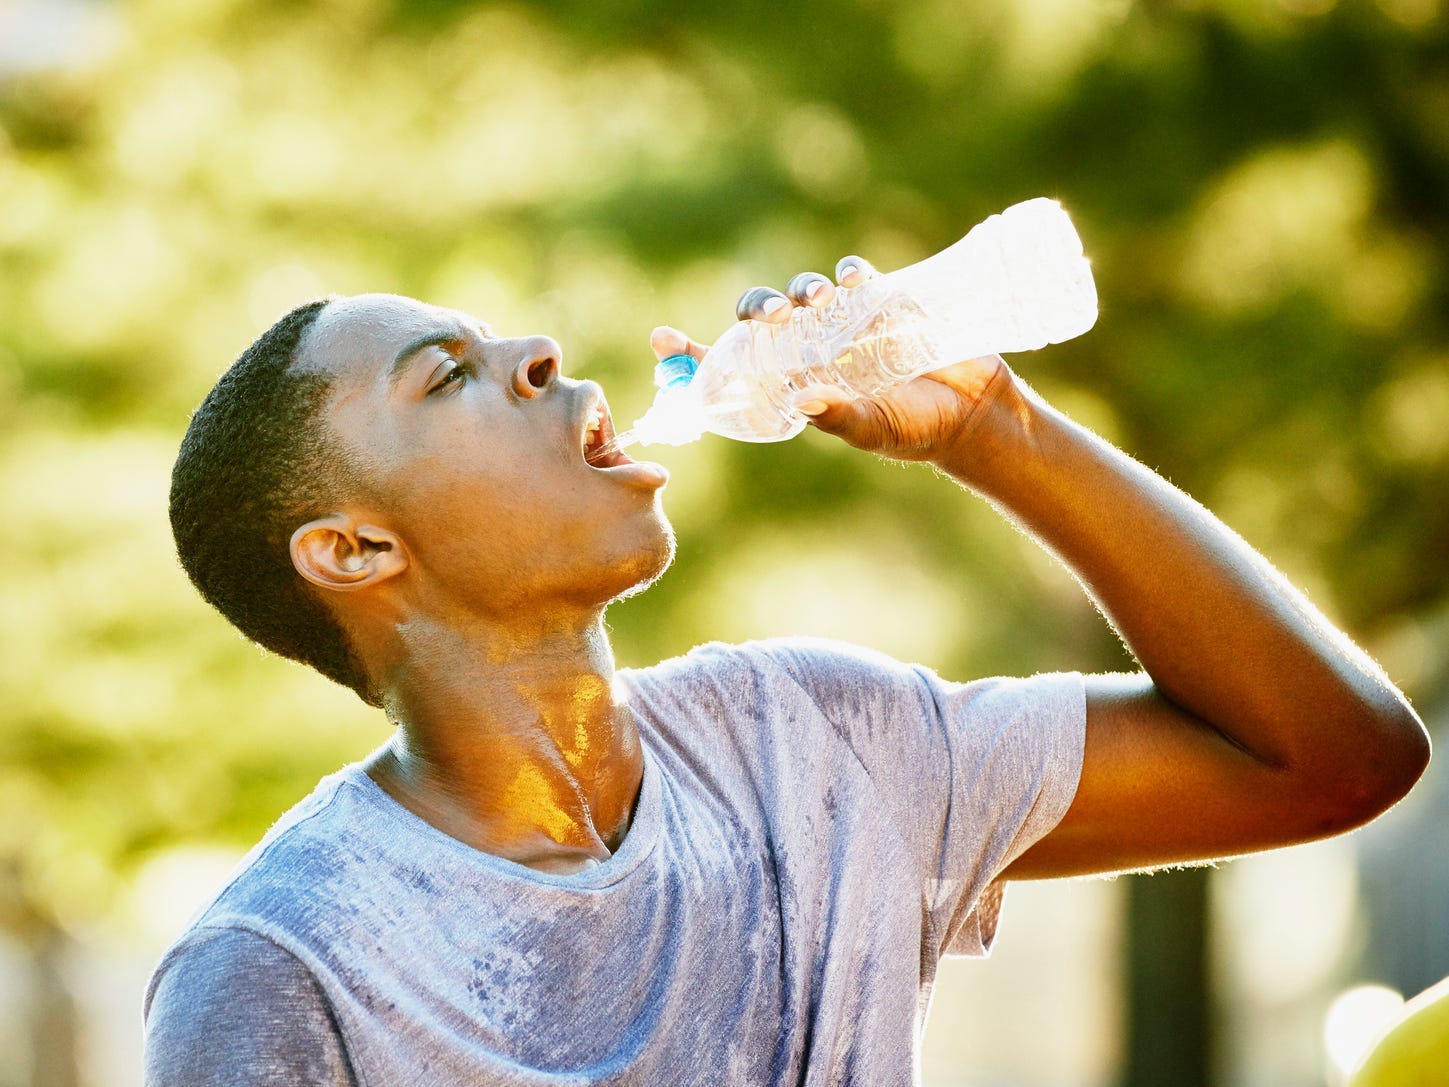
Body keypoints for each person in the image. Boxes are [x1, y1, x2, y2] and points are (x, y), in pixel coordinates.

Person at [145, 256, 1430, 1086]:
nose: (539, 349)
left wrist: (996, 430)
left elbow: (1335, 757)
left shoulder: (811, 742)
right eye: (450, 375)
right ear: (355, 548)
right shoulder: (281, 967)